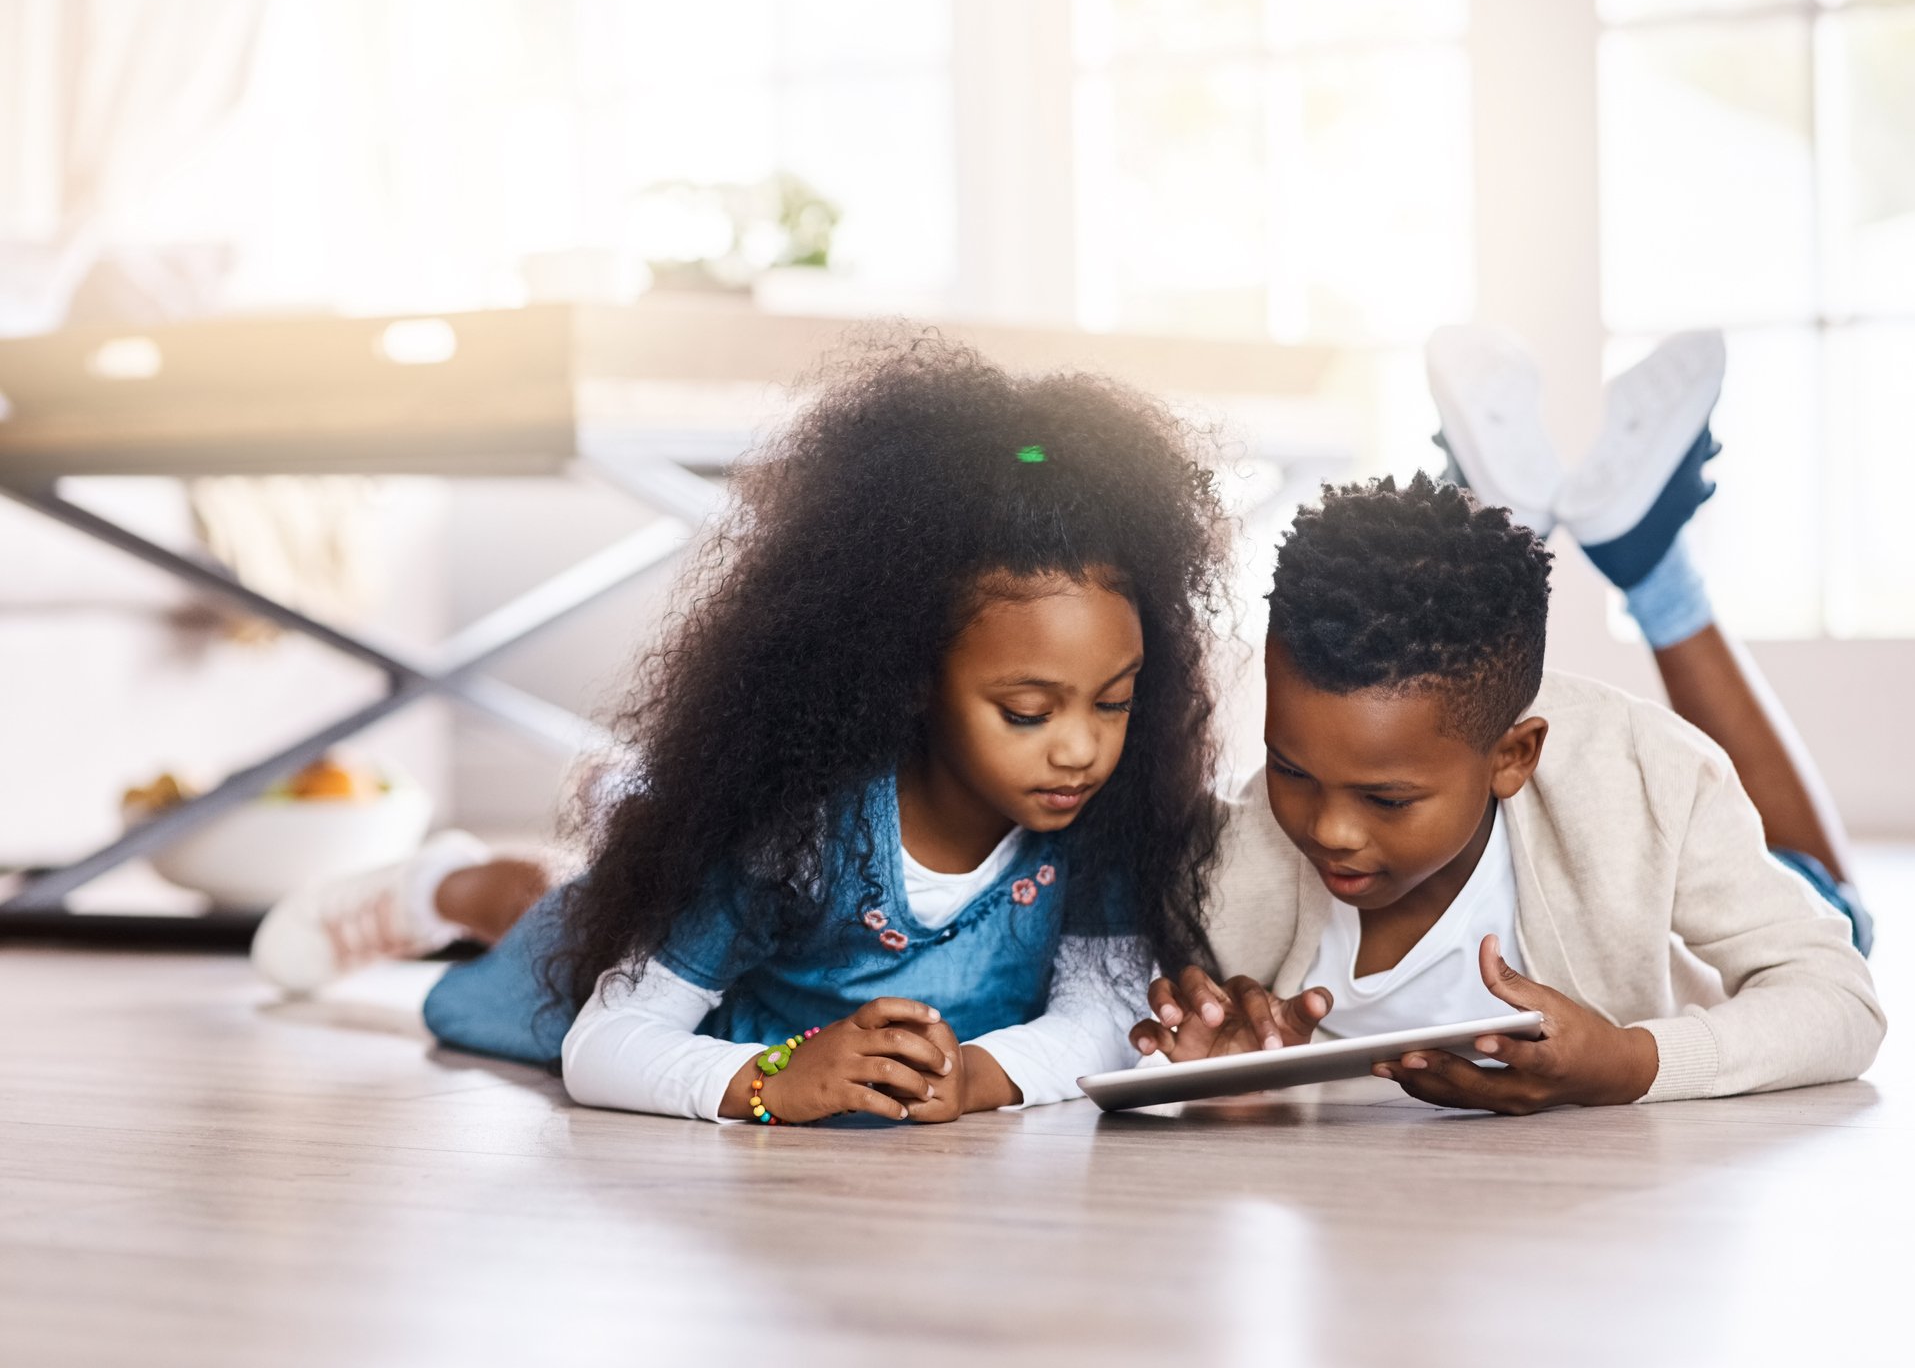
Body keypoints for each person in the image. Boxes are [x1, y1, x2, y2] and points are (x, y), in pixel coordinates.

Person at [252, 332, 1231, 1125]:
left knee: (622, 858)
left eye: (1113, 699)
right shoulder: (791, 834)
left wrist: (980, 1072)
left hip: (812, 973)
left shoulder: (1098, 815)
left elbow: (1104, 1009)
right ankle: (458, 882)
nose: (1080, 747)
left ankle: (614, 805)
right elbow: (606, 1045)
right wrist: (769, 1081)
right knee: (562, 937)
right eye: (1027, 710)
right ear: (907, 678)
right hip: (715, 1008)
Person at [1133, 329, 1884, 1113]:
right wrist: (1212, 1053)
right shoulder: (1242, 855)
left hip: (1682, 899)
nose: (1331, 829)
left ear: (1514, 755)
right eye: (1289, 769)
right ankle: (1503, 518)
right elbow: (1130, 1003)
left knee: (1835, 904)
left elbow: (1841, 996)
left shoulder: (1645, 780)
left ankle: (1652, 563)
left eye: (1386, 799)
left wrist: (1634, 1060)